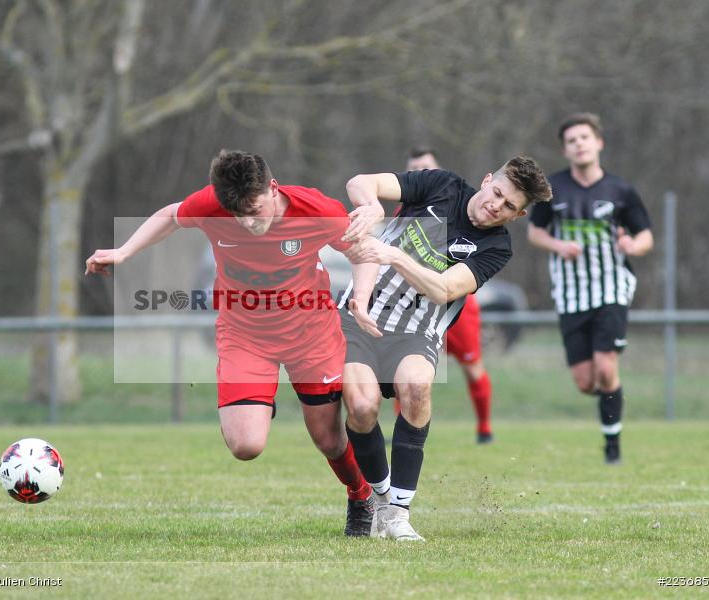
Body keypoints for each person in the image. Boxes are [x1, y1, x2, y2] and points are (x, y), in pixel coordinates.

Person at [85, 150, 375, 535]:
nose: (247, 222)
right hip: (245, 336)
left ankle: (360, 495)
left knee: (328, 440)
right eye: (238, 214)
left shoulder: (315, 209)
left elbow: (362, 251)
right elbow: (171, 215)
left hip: (311, 335)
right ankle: (256, 400)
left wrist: (362, 297)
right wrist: (123, 252)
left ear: (273, 189)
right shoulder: (213, 204)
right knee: (245, 446)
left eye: (254, 210)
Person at [338, 156, 552, 541]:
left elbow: (445, 289)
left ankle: (398, 513)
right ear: (486, 180)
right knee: (362, 406)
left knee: (417, 388)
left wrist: (395, 255)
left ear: (518, 215)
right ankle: (380, 499)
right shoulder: (442, 186)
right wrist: (371, 206)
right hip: (360, 314)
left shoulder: (496, 246)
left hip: (416, 330)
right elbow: (361, 180)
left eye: (508, 206)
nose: (496, 206)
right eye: (497, 193)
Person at [527, 113, 653, 465]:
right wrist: (558, 246)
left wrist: (632, 246)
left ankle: (612, 447)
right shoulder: (552, 189)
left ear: (599, 143)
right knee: (586, 382)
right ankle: (611, 399)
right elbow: (535, 232)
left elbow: (645, 236)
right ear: (565, 150)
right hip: (571, 294)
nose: (579, 144)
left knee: (606, 368)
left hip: (612, 288)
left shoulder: (621, 190)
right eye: (572, 140)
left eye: (584, 137)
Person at [393, 146, 495, 444]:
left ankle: (484, 429)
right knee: (403, 369)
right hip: (414, 304)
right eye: (414, 168)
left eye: (425, 167)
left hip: (455, 305)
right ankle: (404, 430)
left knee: (472, 367)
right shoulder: (404, 211)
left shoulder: (453, 201)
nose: (419, 172)